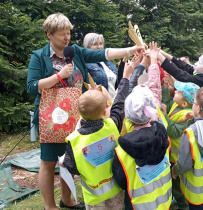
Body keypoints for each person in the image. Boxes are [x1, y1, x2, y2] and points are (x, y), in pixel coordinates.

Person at [26, 12, 143, 210]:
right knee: (48, 162)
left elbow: (103, 54)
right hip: (52, 119)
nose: (66, 38)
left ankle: (67, 199)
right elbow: (32, 86)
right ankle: (49, 206)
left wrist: (131, 49)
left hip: (78, 117)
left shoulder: (75, 52)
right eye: (62, 34)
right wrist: (59, 76)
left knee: (69, 159)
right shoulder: (39, 57)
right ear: (49, 35)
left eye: (68, 33)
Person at [61, 59, 137, 209]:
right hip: (115, 190)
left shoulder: (74, 140)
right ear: (104, 112)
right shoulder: (112, 125)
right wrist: (126, 76)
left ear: (79, 112)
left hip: (94, 196)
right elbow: (119, 102)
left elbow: (71, 166)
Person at [112, 85, 172, 210]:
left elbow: (121, 180)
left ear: (128, 116)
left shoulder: (123, 149)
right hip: (164, 196)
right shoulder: (162, 134)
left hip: (139, 204)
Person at [161, 78, 200, 210]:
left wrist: (164, 116)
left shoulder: (186, 117)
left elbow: (174, 132)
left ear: (184, 103)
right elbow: (167, 103)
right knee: (174, 184)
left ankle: (183, 205)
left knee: (178, 186)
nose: (175, 91)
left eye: (178, 92)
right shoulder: (177, 106)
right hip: (172, 156)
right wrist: (166, 88)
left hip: (177, 160)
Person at [158, 51, 203, 119]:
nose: (195, 63)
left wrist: (159, 56)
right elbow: (185, 67)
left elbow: (180, 74)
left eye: (200, 63)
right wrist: (162, 53)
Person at [83, 33, 119, 98]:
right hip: (97, 104)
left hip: (113, 103)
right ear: (87, 46)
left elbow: (119, 83)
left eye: (101, 43)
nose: (99, 47)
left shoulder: (109, 63)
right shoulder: (86, 64)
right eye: (95, 44)